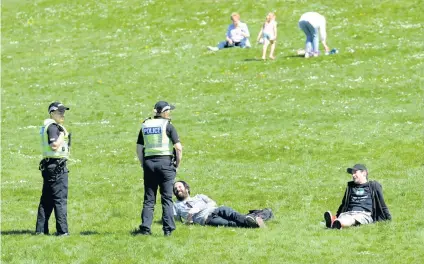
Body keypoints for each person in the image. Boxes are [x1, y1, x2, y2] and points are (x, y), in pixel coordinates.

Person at [136, 101, 183, 236]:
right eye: (169, 111)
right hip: (166, 164)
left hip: (149, 163)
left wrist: (143, 163)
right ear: (164, 112)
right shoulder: (168, 126)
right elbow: (178, 148)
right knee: (166, 198)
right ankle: (168, 230)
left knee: (149, 198)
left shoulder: (145, 125)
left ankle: (145, 228)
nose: (170, 114)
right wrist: (177, 165)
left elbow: (139, 148)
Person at [36, 102, 71, 236]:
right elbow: (54, 146)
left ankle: (40, 230)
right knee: (60, 199)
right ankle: (62, 231)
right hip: (56, 167)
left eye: (63, 112)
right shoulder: (53, 127)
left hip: (49, 166)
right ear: (52, 113)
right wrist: (62, 135)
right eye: (59, 112)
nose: (62, 114)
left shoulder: (49, 126)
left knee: (47, 199)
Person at [324, 164, 392, 229]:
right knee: (344, 217)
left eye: (355, 172)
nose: (353, 175)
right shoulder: (350, 187)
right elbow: (344, 203)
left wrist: (388, 217)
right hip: (348, 213)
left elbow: (382, 203)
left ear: (364, 173)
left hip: (364, 214)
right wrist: (337, 215)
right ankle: (335, 221)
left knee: (352, 219)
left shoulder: (373, 186)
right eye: (352, 173)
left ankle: (337, 223)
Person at [173, 181, 265, 228]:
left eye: (179, 186)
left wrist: (198, 208)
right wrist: (189, 221)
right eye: (175, 189)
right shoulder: (176, 206)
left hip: (217, 210)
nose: (177, 189)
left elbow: (213, 203)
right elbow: (178, 222)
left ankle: (256, 219)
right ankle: (258, 219)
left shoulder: (199, 196)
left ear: (187, 189)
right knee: (231, 224)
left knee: (236, 216)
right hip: (208, 219)